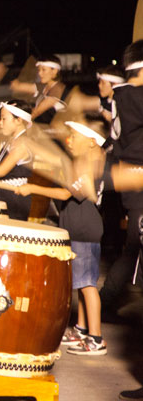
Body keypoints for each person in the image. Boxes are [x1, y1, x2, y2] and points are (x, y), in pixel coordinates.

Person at [16, 120, 109, 355]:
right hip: (77, 229)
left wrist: (32, 189)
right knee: (79, 282)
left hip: (85, 230)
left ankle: (96, 338)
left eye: (75, 136)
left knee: (88, 285)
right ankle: (81, 328)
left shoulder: (90, 166)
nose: (70, 139)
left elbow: (65, 192)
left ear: (91, 142)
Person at [100, 40, 143, 319]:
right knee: (133, 248)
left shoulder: (123, 95)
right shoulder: (132, 95)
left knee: (133, 248)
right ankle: (103, 303)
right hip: (138, 179)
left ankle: (105, 302)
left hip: (132, 176)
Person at [10, 55, 69, 124]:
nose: (40, 73)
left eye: (43, 70)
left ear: (54, 71)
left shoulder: (57, 90)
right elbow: (17, 86)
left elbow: (35, 113)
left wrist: (13, 120)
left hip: (56, 132)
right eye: (39, 70)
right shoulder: (44, 87)